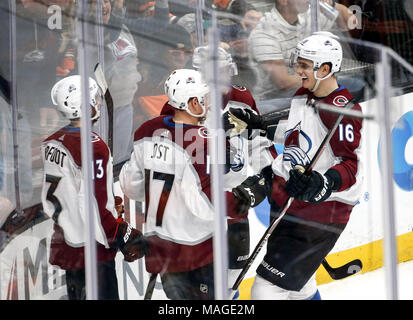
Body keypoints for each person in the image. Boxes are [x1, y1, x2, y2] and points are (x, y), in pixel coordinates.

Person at [229, 32, 363, 300]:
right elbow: (297, 135)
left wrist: (324, 183)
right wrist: (260, 126)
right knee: (300, 287)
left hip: (323, 211)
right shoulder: (304, 95)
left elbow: (351, 166)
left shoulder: (342, 110)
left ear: (325, 69)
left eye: (304, 65)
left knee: (266, 288)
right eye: (298, 63)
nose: (297, 70)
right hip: (294, 202)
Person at [119, 68, 265, 299]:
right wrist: (248, 195)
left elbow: (132, 186)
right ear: (192, 102)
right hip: (200, 240)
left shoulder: (148, 130)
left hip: (164, 240)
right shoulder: (202, 141)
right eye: (204, 98)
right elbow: (205, 198)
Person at [159, 46, 277, 298]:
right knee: (204, 291)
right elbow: (178, 157)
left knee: (232, 280)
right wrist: (217, 130)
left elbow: (258, 142)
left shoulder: (242, 98)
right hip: (198, 210)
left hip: (236, 203)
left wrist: (273, 174)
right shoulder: (177, 107)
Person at [41, 75, 149, 300]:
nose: (98, 103)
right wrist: (120, 233)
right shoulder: (92, 147)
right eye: (94, 99)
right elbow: (94, 206)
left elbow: (75, 192)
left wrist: (109, 200)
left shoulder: (53, 141)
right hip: (93, 249)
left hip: (68, 242)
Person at [248, 0, 357, 103]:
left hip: (307, 85)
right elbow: (283, 82)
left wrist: (331, 4)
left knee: (356, 84)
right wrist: (323, 78)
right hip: (273, 98)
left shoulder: (307, 15)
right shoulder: (264, 32)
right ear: (284, 1)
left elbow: (352, 22)